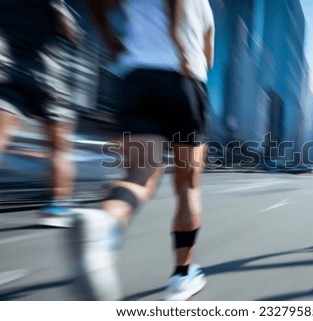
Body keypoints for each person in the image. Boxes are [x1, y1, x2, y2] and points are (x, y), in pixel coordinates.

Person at [72, 0, 214, 300]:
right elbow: (208, 59)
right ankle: (182, 276)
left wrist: (111, 41)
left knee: (140, 174)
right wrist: (177, 37)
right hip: (183, 80)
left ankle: (105, 222)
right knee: (188, 185)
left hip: (136, 77)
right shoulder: (205, 8)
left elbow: (96, 5)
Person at [0, 0, 79, 227]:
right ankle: (58, 207)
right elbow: (70, 32)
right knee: (58, 148)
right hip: (47, 75)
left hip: (8, 70)